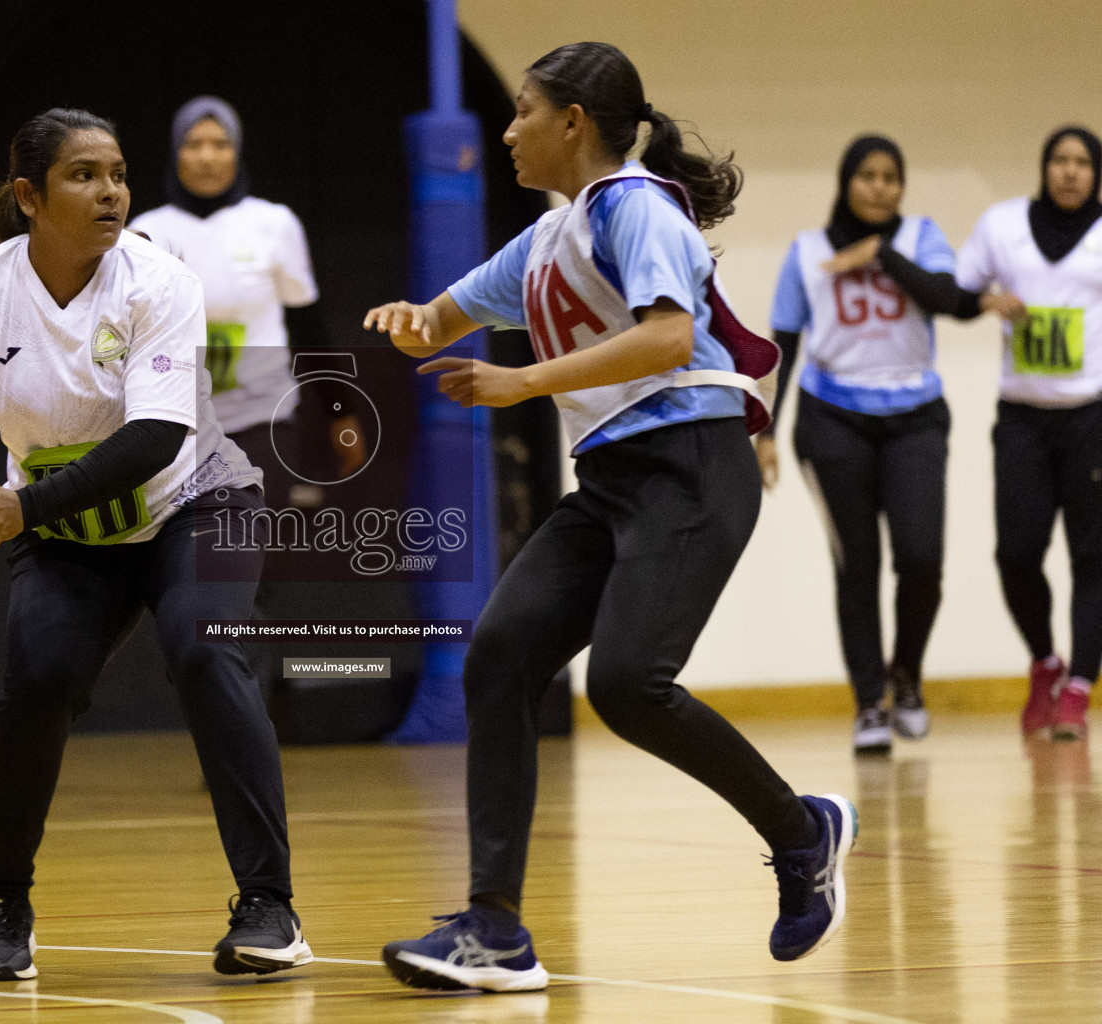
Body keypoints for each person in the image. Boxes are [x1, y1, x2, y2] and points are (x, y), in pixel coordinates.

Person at [362, 42, 855, 992]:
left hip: (692, 467)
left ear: (573, 123)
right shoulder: (550, 237)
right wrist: (409, 318)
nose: (507, 131)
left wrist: (525, 381)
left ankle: (803, 834)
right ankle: (495, 930)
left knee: (628, 685)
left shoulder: (637, 206)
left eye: (521, 112)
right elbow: (443, 317)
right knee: (501, 658)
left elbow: (668, 336)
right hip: (613, 483)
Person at [0, 108, 311, 981]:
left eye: (119, 173)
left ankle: (269, 906)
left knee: (206, 652)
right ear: (29, 196)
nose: (111, 192)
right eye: (85, 175)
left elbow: (153, 441)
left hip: (194, 503)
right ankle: (4, 905)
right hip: (65, 530)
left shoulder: (157, 281)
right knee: (37, 684)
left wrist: (21, 506)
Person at [761, 135, 1018, 754]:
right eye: (867, 175)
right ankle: (867, 702)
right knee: (858, 566)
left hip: (915, 417)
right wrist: (765, 430)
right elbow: (783, 347)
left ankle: (906, 675)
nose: (879, 187)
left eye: (891, 177)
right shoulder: (806, 252)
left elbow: (949, 301)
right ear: (845, 181)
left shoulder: (921, 237)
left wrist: (879, 254)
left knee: (921, 560)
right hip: (832, 421)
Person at [130, 96, 366, 507]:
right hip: (176, 427)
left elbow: (308, 327)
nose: (207, 157)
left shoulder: (273, 224)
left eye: (220, 144)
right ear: (175, 153)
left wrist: (340, 413)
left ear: (237, 152)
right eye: (193, 144)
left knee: (248, 552)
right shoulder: (146, 232)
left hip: (262, 422)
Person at [957, 125, 1102, 741]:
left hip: (1091, 415)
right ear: (1044, 167)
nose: (1070, 171)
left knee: (1091, 557)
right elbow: (959, 292)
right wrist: (989, 301)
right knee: (1016, 555)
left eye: (1082, 163)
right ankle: (1046, 661)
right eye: (1059, 160)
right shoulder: (1002, 225)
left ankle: (1078, 690)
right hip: (1020, 418)